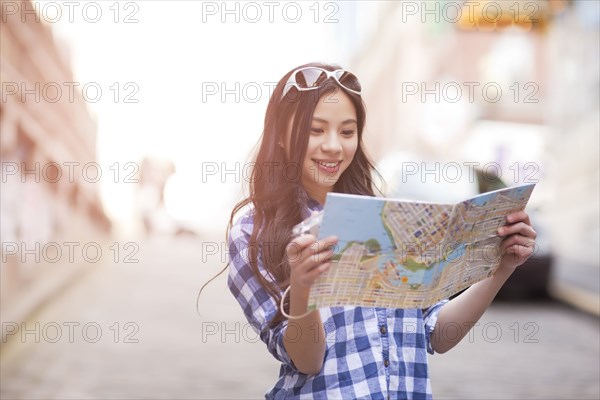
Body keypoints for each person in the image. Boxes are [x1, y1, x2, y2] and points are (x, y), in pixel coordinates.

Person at [225, 62, 537, 399]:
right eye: (316, 130)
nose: (334, 146)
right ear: (282, 137)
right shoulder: (252, 233)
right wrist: (303, 288)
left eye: (347, 132)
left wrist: (501, 267)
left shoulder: (389, 217)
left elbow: (437, 334)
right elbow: (307, 360)